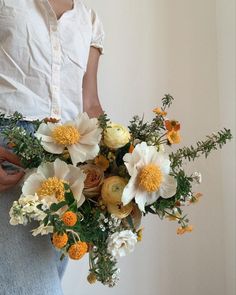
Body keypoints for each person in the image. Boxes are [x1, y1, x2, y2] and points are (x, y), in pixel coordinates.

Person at [0, 0, 104, 294]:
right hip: (10, 156)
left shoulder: (90, 19)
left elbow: (90, 104)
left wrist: (116, 163)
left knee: (45, 279)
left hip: (68, 166)